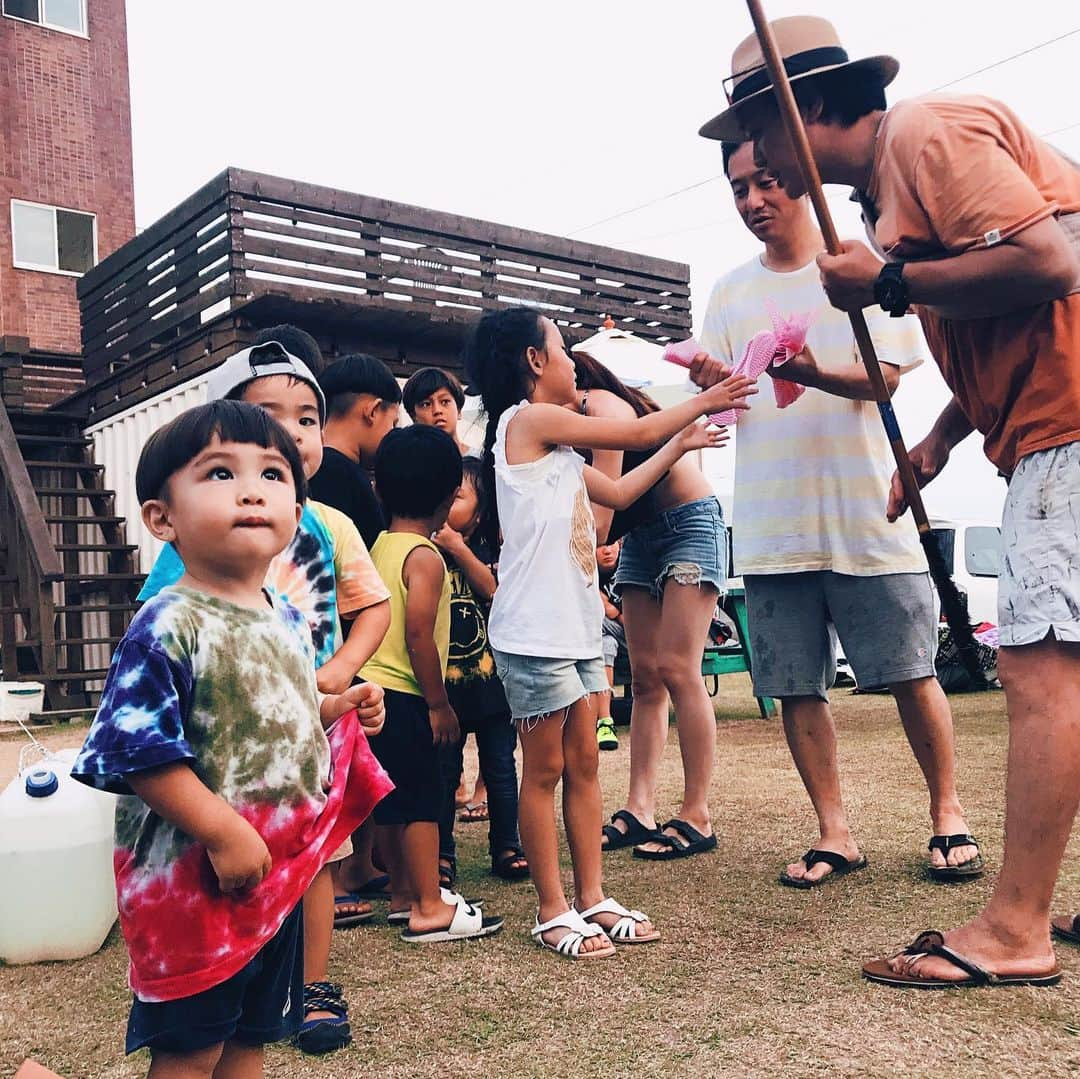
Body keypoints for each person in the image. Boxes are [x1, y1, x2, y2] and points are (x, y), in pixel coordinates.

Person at [703, 13, 1080, 986]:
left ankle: (1015, 927)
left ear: (812, 106)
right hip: (1041, 425)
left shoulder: (919, 134)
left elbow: (1050, 262)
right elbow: (1014, 304)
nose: (757, 157)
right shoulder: (885, 195)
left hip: (1068, 427)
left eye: (760, 128)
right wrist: (941, 440)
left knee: (1042, 671)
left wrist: (892, 282)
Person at [690, 136, 981, 889]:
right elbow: (723, 409)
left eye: (766, 181)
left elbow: (885, 380)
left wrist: (815, 370)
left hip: (862, 512)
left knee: (912, 669)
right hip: (772, 520)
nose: (753, 199)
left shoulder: (855, 268)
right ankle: (834, 829)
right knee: (794, 684)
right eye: (738, 188)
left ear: (803, 179)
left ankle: (948, 811)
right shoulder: (728, 293)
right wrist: (712, 385)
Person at [71, 401, 391, 1079]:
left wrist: (340, 704)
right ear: (163, 518)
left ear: (296, 511)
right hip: (193, 886)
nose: (251, 488)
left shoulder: (283, 615)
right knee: (191, 1049)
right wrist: (221, 829)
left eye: (273, 474)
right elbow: (138, 753)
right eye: (219, 472)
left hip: (271, 883)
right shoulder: (168, 623)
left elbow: (284, 703)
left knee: (252, 1037)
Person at [465, 307, 753, 958]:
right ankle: (552, 909)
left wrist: (679, 449)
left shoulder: (556, 451)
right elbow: (640, 425)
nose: (574, 362)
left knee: (586, 765)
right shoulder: (527, 420)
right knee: (544, 771)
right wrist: (706, 397)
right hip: (533, 634)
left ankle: (592, 896)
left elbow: (620, 495)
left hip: (572, 632)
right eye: (563, 350)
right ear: (534, 363)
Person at [569, 350, 728, 860]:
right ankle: (640, 809)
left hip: (688, 523)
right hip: (642, 538)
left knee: (680, 668)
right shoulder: (563, 424)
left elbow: (603, 516)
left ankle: (697, 813)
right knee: (643, 678)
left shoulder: (601, 406)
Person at [360, 424, 505, 942]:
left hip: (371, 692)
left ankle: (404, 893)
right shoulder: (425, 557)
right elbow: (419, 632)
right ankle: (427, 906)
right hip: (405, 693)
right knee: (423, 799)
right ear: (448, 498)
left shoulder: (378, 546)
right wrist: (439, 704)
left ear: (380, 488)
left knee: (394, 800)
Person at [431, 455, 529, 882]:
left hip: (493, 687)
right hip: (445, 689)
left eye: (457, 496)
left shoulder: (492, 550)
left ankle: (507, 845)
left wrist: (458, 547)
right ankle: (441, 853)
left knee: (500, 769)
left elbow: (491, 588)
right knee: (443, 774)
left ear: (481, 509)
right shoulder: (423, 551)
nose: (446, 502)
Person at [311, 353, 402, 549]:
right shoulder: (343, 476)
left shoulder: (310, 467)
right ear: (373, 411)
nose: (393, 434)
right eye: (393, 422)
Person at [403, 366, 477, 456]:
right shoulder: (408, 463)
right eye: (426, 404)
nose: (437, 410)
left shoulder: (481, 462)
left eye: (445, 402)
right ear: (413, 416)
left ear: (459, 410)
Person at [596, 541, 623, 752]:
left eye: (611, 544)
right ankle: (605, 721)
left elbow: (637, 620)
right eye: (600, 546)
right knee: (606, 642)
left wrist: (611, 610)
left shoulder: (628, 567)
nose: (607, 550)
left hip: (639, 640)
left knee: (595, 618)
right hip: (607, 641)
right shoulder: (587, 572)